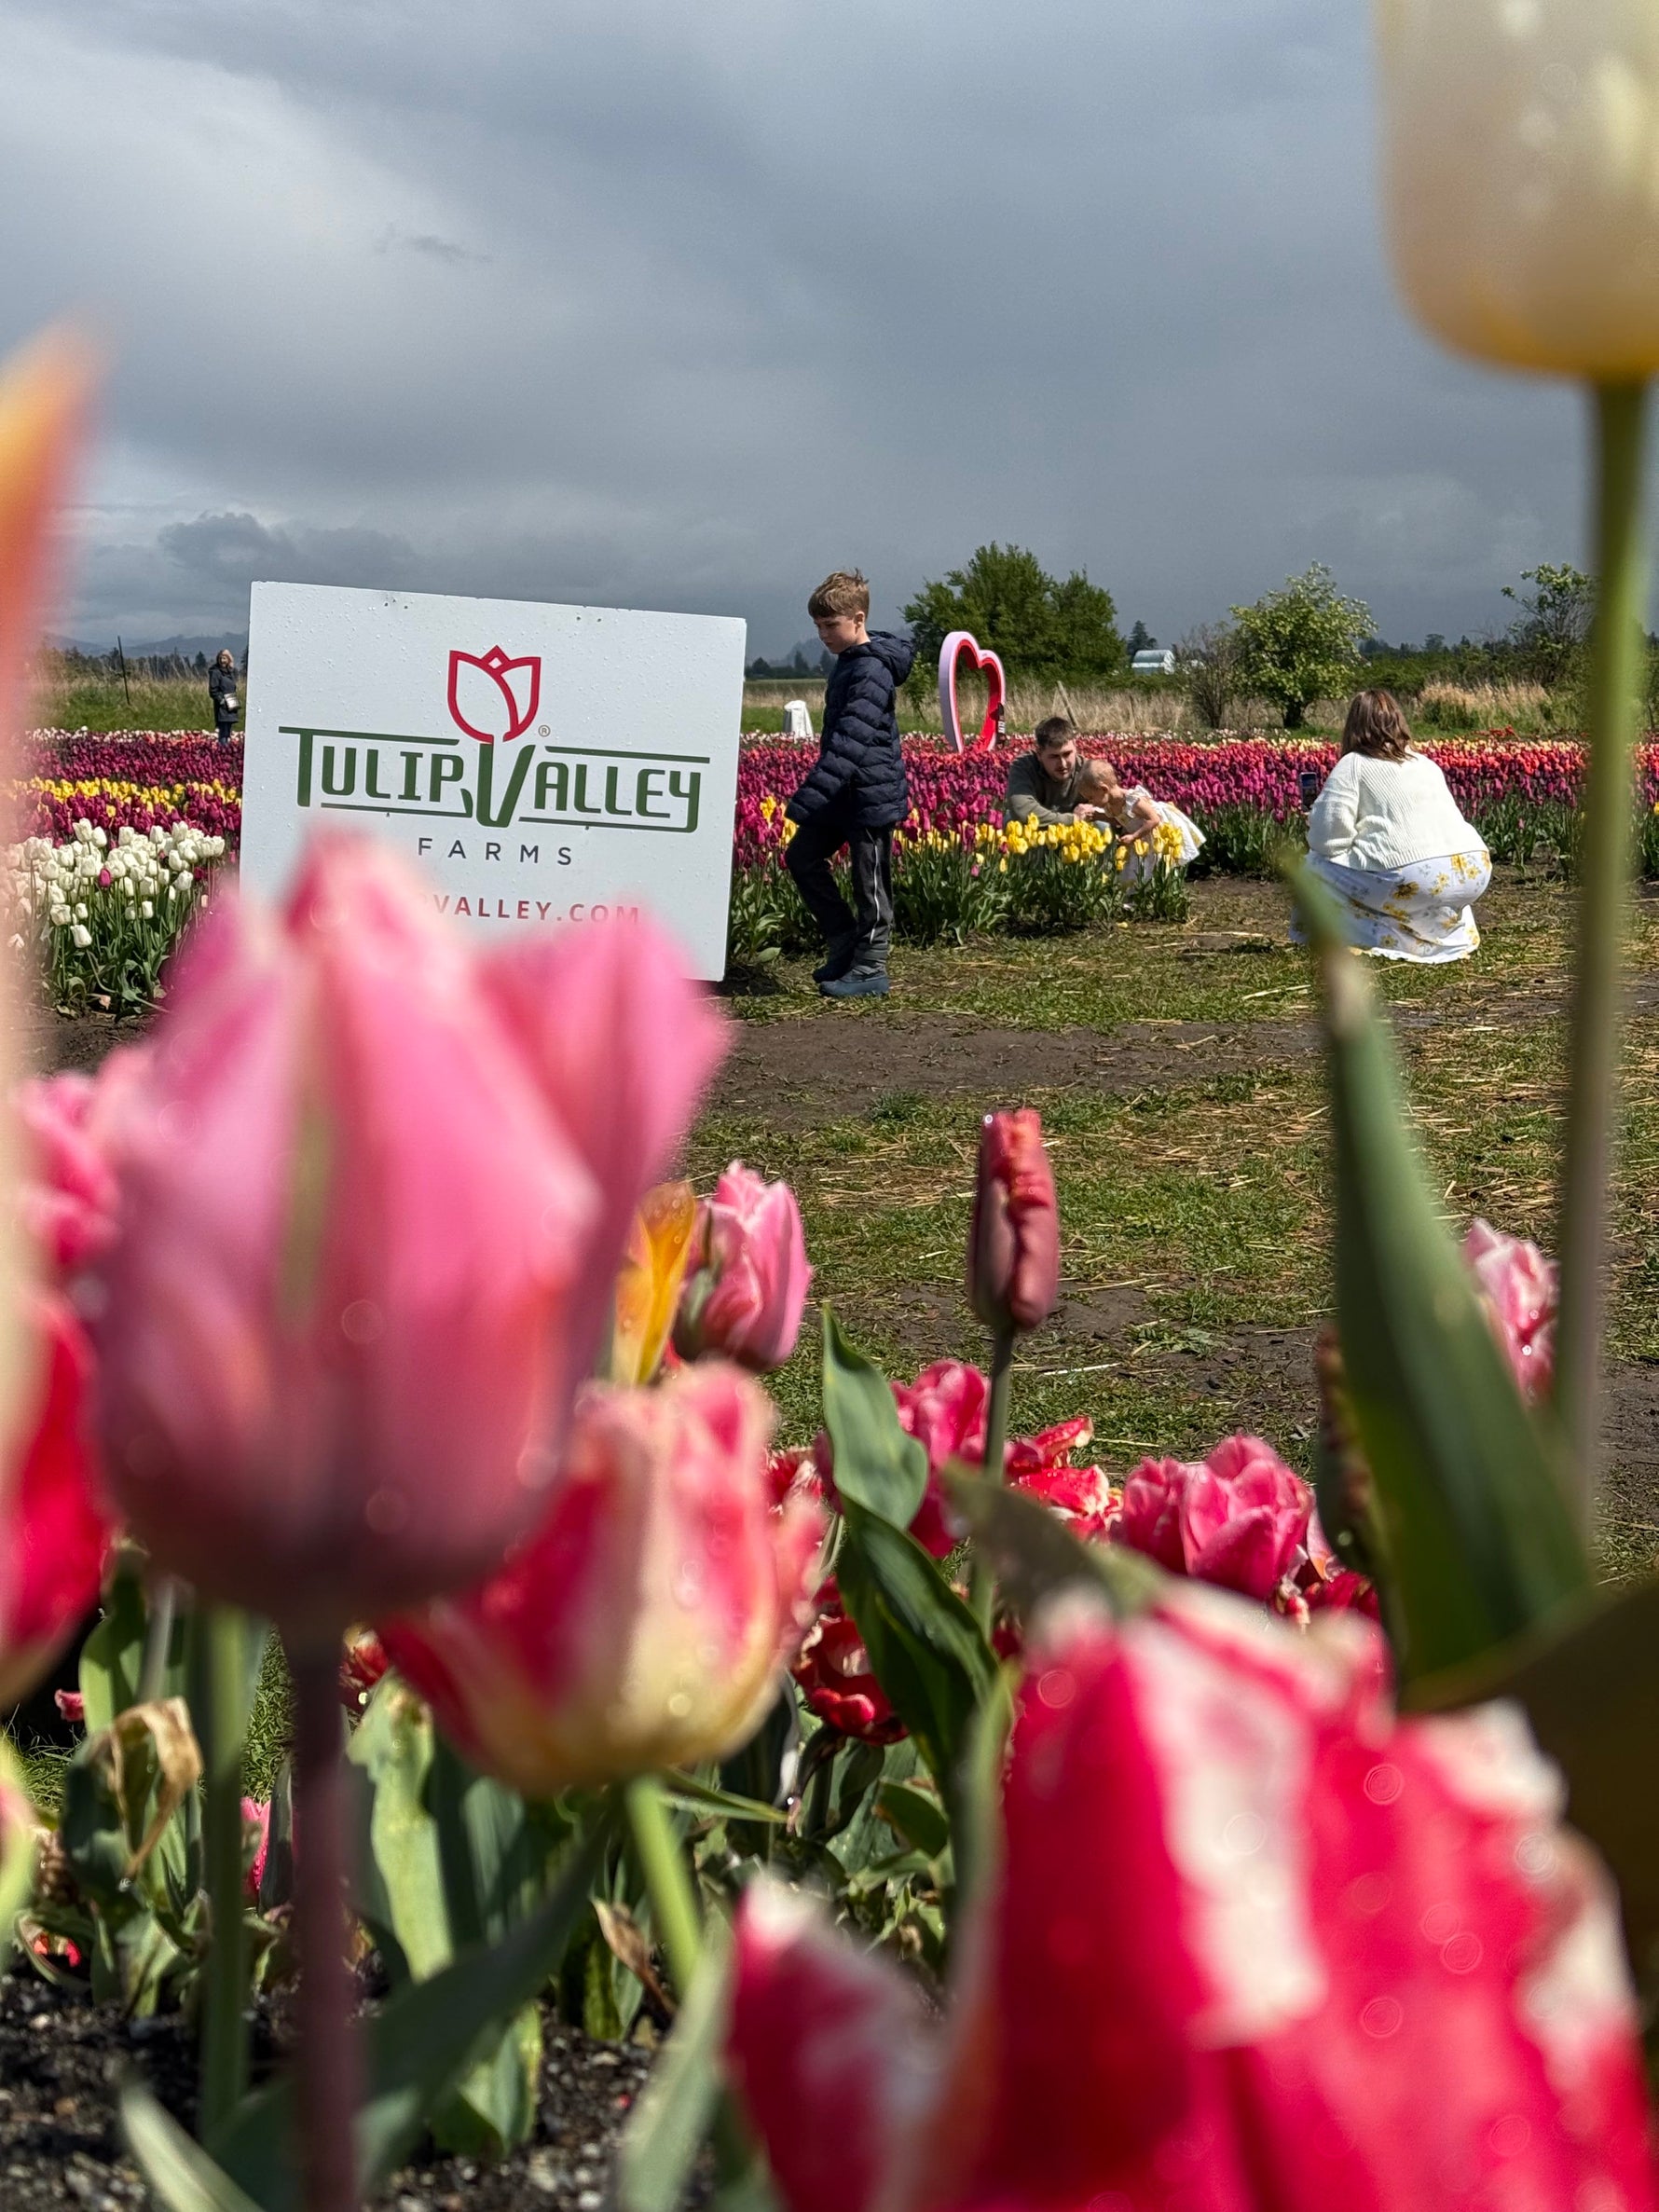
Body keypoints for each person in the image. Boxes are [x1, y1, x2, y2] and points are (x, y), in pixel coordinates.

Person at [784, 570, 913, 1000]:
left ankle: (871, 967)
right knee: (802, 857)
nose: (822, 634)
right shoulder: (850, 663)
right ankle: (844, 943)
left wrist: (806, 800)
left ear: (857, 619)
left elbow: (849, 743)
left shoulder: (871, 671)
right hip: (844, 792)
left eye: (830, 625)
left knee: (869, 882)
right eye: (818, 626)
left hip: (870, 795)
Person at [1301, 688, 1489, 962]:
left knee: (1312, 866)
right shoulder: (1426, 763)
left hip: (1417, 876)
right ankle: (1447, 941)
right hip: (1473, 871)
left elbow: (1328, 842)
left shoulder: (1353, 764)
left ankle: (1371, 936)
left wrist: (1313, 819)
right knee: (1432, 879)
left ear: (1353, 725)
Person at [1076, 759, 1206, 873]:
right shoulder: (1110, 805)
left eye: (1091, 798)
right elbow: (1121, 820)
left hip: (1154, 834)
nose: (1090, 802)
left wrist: (1134, 836)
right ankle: (1140, 893)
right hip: (1140, 836)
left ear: (1104, 789)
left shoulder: (1133, 801)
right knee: (1138, 866)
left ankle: (1157, 893)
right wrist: (1100, 817)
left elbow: (1154, 819)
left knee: (1155, 865)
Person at [1004, 718, 1104, 826]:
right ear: (1039, 754)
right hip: (1041, 829)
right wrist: (1072, 820)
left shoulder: (1087, 770)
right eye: (1054, 757)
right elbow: (1022, 810)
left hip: (1077, 833)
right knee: (1011, 821)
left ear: (1075, 747)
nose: (1063, 764)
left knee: (1101, 824)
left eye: (1067, 754)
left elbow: (1110, 802)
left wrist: (1093, 808)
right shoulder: (1024, 766)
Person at [209, 649, 240, 743]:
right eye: (221, 658)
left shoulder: (231, 672)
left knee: (228, 731)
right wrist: (221, 701)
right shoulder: (216, 672)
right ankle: (223, 750)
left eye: (225, 658)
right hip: (222, 706)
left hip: (231, 702)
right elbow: (213, 690)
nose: (223, 661)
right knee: (223, 731)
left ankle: (227, 751)